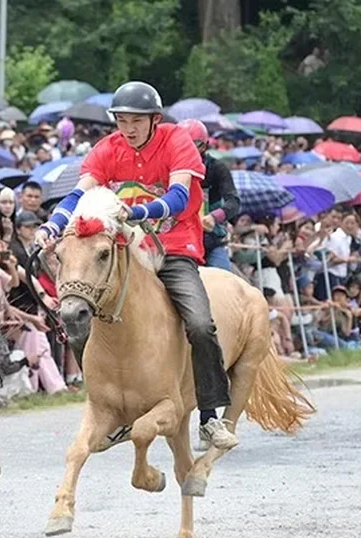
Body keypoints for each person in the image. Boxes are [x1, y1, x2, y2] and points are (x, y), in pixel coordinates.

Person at [35, 81, 239, 451]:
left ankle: (209, 416)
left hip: (174, 247)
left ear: (155, 120)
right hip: (127, 250)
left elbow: (179, 197)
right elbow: (79, 194)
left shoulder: (177, 141)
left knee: (199, 322)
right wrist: (51, 225)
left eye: (136, 120)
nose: (127, 128)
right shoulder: (106, 150)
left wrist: (140, 211)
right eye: (121, 120)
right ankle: (104, 405)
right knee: (77, 312)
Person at [179, 119, 240, 272]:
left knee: (224, 281)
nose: (188, 152)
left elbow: (234, 201)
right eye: (183, 146)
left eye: (195, 146)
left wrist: (215, 217)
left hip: (210, 240)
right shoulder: (167, 168)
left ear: (204, 146)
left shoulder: (217, 169)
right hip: (178, 241)